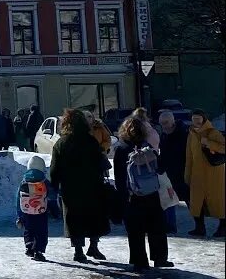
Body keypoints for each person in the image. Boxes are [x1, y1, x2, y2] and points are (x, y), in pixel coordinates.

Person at [49, 108, 110, 263]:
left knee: (74, 219)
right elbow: (102, 164)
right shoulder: (90, 141)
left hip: (71, 188)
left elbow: (55, 169)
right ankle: (94, 246)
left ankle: (78, 251)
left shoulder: (61, 143)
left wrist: (54, 186)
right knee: (94, 217)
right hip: (92, 186)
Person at [113, 116, 173, 270]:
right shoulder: (147, 146)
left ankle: (140, 261)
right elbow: (160, 167)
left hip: (132, 196)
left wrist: (122, 197)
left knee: (135, 231)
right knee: (157, 227)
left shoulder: (121, 148)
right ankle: (160, 258)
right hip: (152, 193)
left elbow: (119, 177)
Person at [184, 109, 226, 238]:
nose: (196, 121)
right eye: (194, 118)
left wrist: (208, 143)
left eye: (198, 118)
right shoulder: (191, 133)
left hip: (214, 175)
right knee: (197, 203)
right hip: (197, 174)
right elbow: (189, 155)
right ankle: (199, 228)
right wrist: (187, 174)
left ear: (203, 119)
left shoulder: (213, 132)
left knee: (218, 203)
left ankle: (223, 228)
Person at [157, 110, 190, 234]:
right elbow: (164, 153)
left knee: (190, 198)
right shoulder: (164, 135)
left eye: (165, 123)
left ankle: (200, 225)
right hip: (169, 172)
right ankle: (170, 226)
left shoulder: (184, 133)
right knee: (169, 198)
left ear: (172, 121)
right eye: (161, 123)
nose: (163, 125)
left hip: (183, 171)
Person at [16, 155, 50, 261]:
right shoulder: (44, 181)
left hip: (26, 211)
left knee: (29, 229)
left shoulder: (24, 181)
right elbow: (52, 194)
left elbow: (18, 198)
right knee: (41, 231)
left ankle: (29, 246)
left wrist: (19, 214)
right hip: (41, 211)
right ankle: (38, 251)